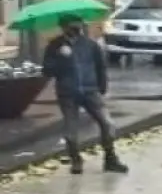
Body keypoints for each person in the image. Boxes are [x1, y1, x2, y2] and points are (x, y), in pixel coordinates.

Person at [42, 15, 127, 175]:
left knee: (107, 124)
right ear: (64, 27)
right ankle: (76, 160)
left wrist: (102, 87)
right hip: (68, 94)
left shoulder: (90, 45)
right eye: (71, 26)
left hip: (90, 91)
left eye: (78, 26)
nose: (76, 29)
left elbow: (100, 67)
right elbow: (47, 71)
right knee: (70, 132)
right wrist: (61, 58)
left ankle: (110, 158)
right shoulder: (54, 46)